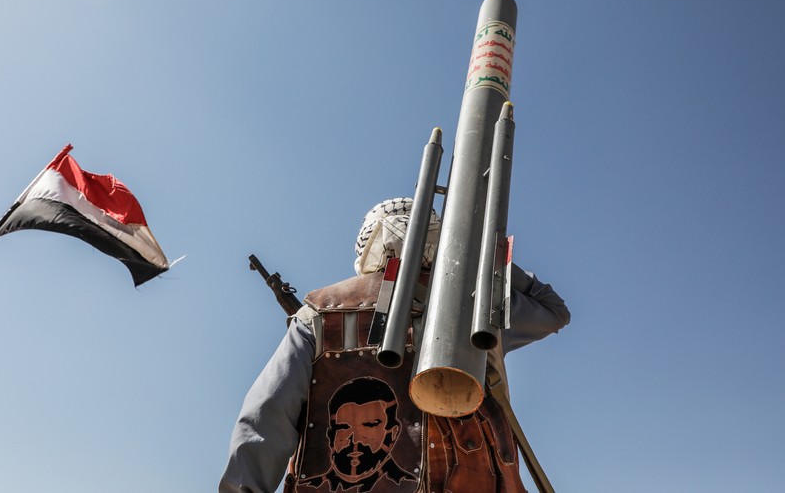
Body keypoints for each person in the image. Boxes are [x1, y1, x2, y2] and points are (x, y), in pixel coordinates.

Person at [220, 198, 570, 493]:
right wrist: (484, 258)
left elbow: (265, 419)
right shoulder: (477, 306)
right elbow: (554, 312)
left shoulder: (318, 312)